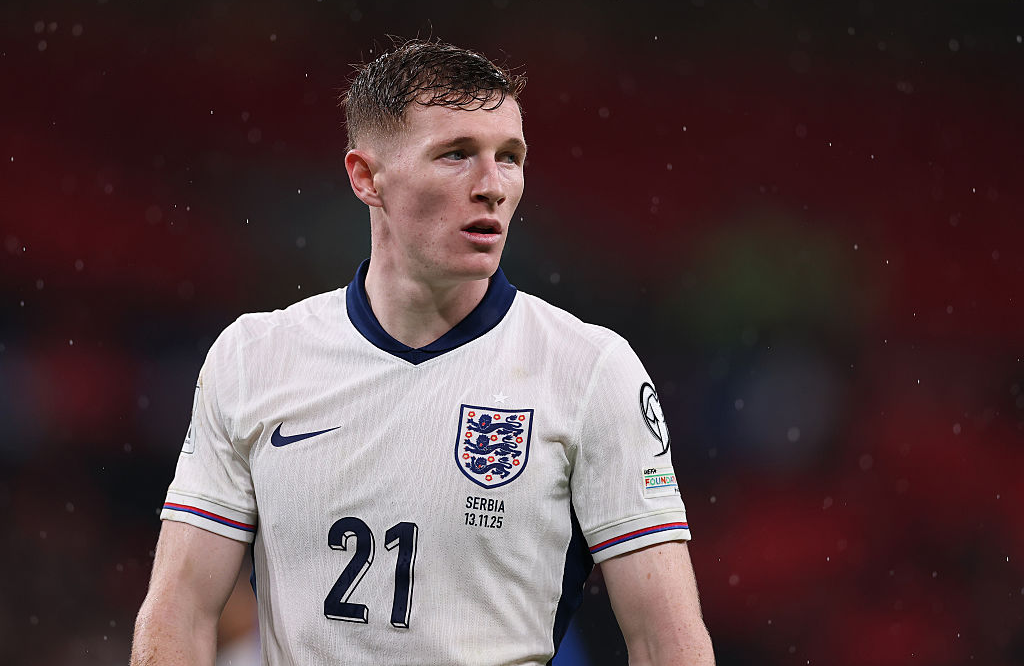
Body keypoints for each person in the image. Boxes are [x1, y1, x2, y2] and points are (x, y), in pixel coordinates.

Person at [131, 38, 714, 666]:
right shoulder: (253, 358)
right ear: (366, 177)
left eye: (510, 157)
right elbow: (179, 614)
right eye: (456, 154)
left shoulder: (591, 370)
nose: (493, 187)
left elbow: (667, 642)